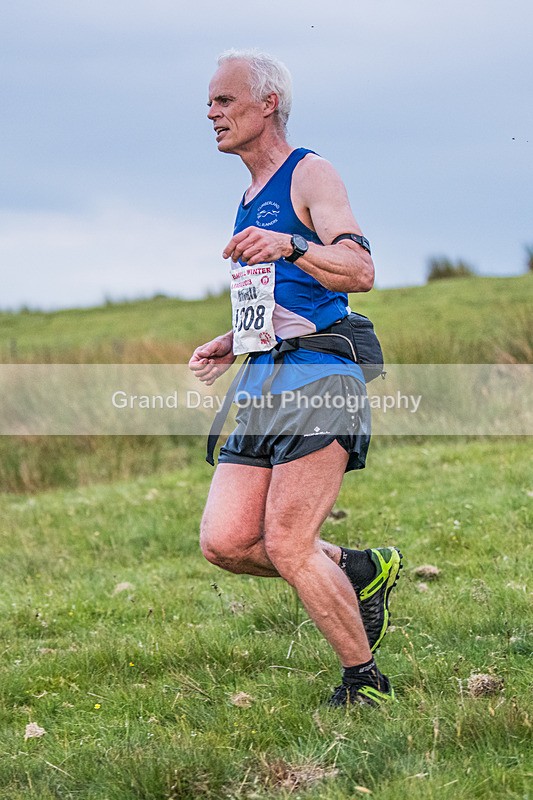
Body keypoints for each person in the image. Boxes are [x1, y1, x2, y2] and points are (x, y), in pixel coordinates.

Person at [189, 49, 402, 707]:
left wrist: (292, 244)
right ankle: (360, 568)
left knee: (286, 541)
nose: (211, 112)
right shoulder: (247, 196)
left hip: (319, 380)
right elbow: (278, 300)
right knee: (225, 542)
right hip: (262, 381)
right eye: (210, 102)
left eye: (223, 100)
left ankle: (365, 683)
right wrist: (235, 341)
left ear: (267, 103)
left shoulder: (310, 173)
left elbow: (357, 270)